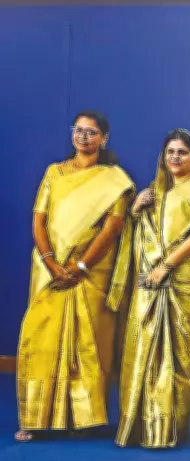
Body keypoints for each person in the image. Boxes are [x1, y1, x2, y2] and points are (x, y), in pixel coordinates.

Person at [16, 111, 135, 442]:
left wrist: (81, 266)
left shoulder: (114, 180)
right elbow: (39, 219)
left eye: (91, 132)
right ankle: (36, 417)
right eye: (78, 130)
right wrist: (51, 263)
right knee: (41, 339)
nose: (83, 137)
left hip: (91, 273)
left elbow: (112, 228)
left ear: (104, 139)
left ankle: (84, 417)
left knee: (88, 340)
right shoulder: (54, 172)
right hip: (49, 271)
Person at [116, 129, 190, 449]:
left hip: (185, 282)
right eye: (170, 152)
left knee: (181, 356)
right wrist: (135, 211)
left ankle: (168, 428)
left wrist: (168, 265)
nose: (175, 157)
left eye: (182, 152)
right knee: (143, 350)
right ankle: (141, 426)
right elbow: (140, 237)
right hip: (150, 284)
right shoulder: (155, 192)